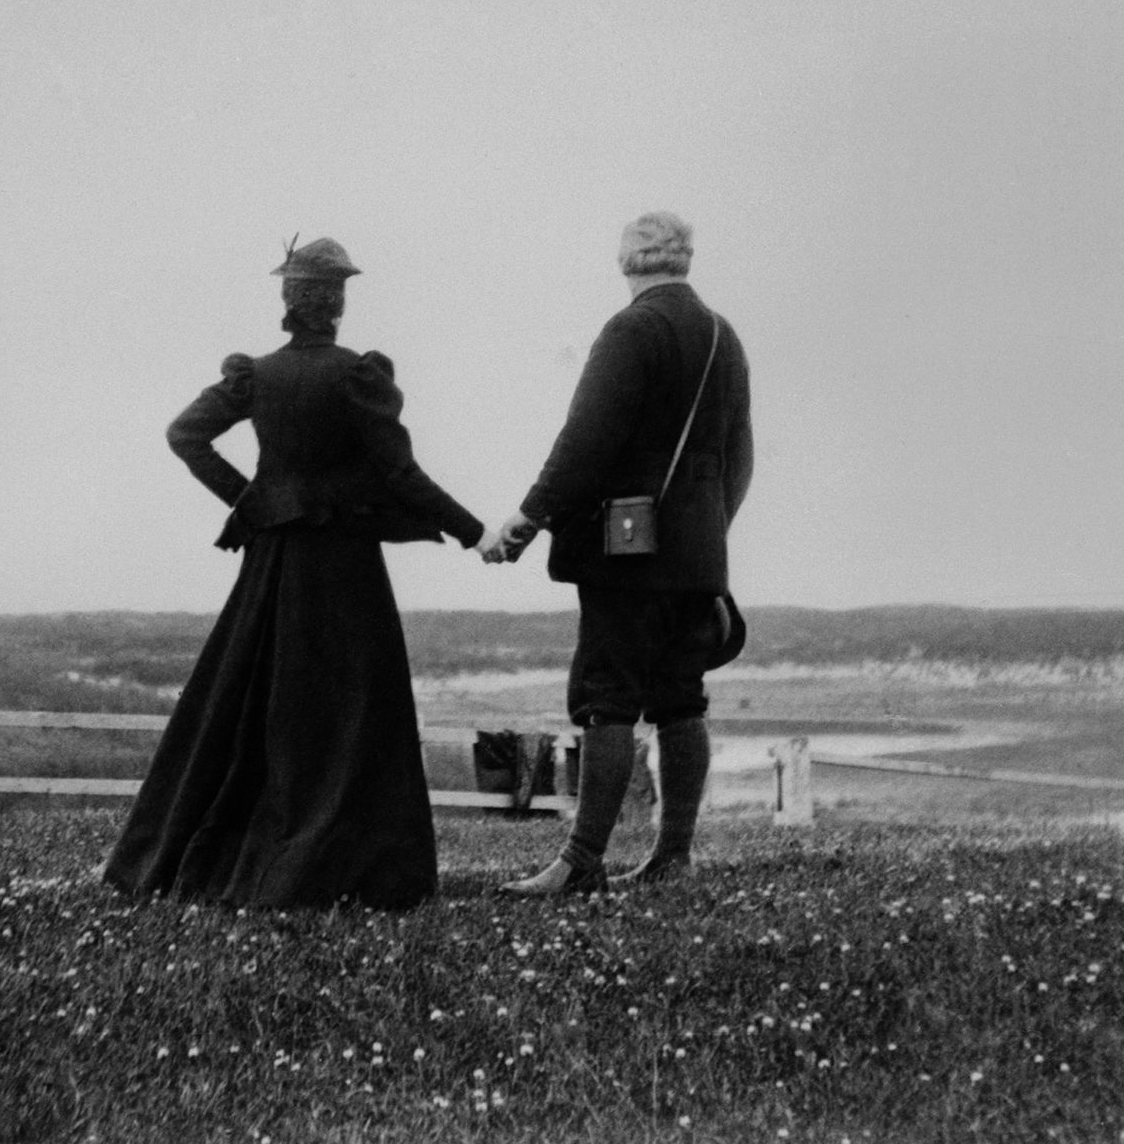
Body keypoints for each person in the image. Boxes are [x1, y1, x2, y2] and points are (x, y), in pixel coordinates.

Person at [102, 236, 491, 909]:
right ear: (337, 302)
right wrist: (475, 531)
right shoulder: (357, 375)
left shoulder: (256, 374)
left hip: (274, 566)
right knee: (350, 708)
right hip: (344, 569)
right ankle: (349, 865)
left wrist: (255, 501)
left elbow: (185, 434)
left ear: (289, 302)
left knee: (252, 705)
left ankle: (221, 857)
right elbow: (400, 473)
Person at [485, 211, 753, 895]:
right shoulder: (725, 335)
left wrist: (528, 514)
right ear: (685, 260)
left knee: (606, 699)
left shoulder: (631, 328)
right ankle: (674, 856)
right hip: (698, 554)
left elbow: (585, 442)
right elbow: (740, 458)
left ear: (628, 261)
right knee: (680, 700)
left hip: (626, 550)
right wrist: (706, 529)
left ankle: (580, 862)